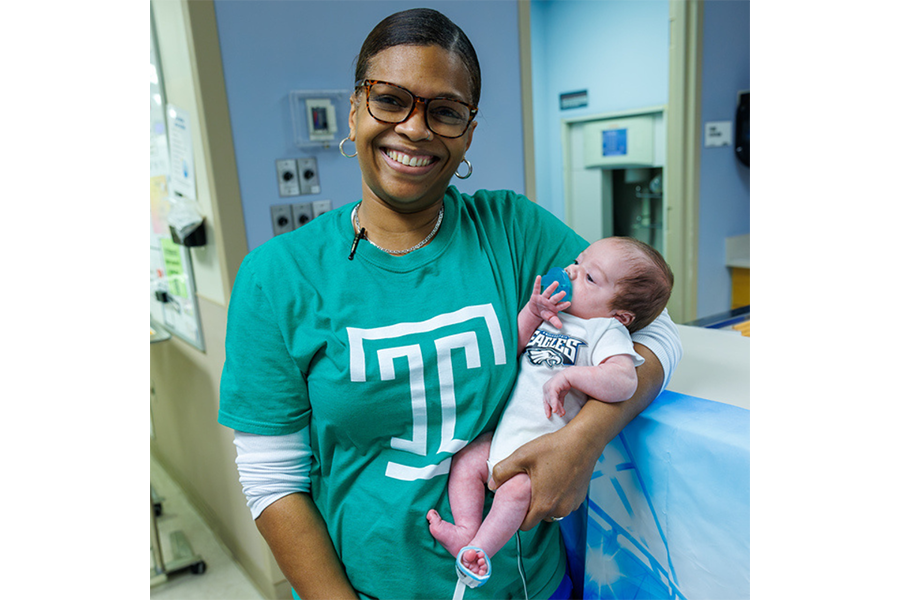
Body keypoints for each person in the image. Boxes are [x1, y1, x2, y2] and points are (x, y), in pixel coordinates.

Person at [218, 9, 682, 600]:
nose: (415, 129)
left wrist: (582, 441)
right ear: (355, 110)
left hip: (529, 586)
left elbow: (656, 332)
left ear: (468, 131)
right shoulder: (278, 276)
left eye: (445, 111)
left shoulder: (514, 231)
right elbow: (272, 480)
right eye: (390, 100)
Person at [426, 237, 674, 587]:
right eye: (578, 261)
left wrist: (572, 376)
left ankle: (480, 551)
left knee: (514, 493)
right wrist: (532, 312)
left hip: (539, 454)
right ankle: (466, 529)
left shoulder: (605, 330)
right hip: (505, 437)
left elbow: (624, 381)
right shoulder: (554, 313)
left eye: (590, 277)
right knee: (467, 461)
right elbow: (512, 348)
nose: (571, 271)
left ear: (620, 315)